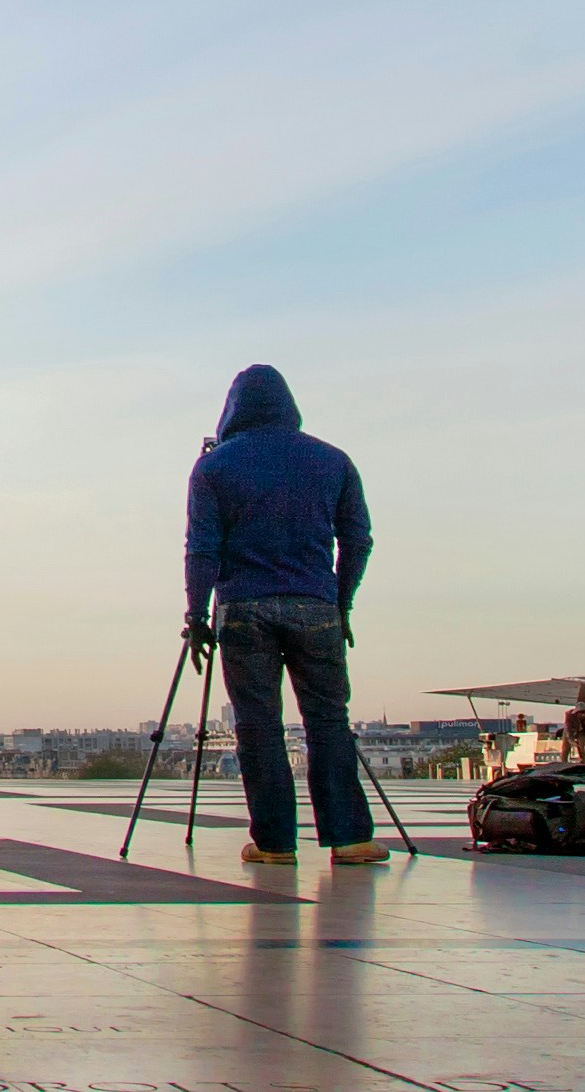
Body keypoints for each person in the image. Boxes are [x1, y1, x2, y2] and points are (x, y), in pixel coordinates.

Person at [182, 363, 379, 868]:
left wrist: (197, 615)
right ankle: (350, 838)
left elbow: (201, 548)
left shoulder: (214, 468)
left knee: (258, 726)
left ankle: (274, 843)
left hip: (244, 609)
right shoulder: (332, 460)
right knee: (330, 722)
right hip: (316, 607)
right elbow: (357, 539)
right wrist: (341, 600)